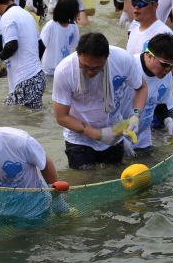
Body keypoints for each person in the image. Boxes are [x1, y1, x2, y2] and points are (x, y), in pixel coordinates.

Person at [52, 32, 147, 170]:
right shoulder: (65, 70)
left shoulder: (123, 60)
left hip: (114, 132)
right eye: (85, 66)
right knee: (84, 180)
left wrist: (135, 116)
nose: (90, 72)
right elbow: (61, 116)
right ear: (78, 55)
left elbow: (141, 87)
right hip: (79, 136)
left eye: (96, 68)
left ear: (106, 58)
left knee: (112, 177)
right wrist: (99, 135)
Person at [0, 0, 45, 109]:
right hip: (37, 77)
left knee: (10, 118)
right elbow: (41, 46)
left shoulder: (7, 17)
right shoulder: (26, 14)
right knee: (22, 116)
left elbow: (12, 46)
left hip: (25, 81)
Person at [120, 33, 173, 154]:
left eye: (172, 65)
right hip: (119, 134)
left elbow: (159, 102)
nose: (168, 69)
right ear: (149, 56)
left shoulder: (166, 74)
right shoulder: (130, 67)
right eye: (164, 64)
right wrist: (118, 139)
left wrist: (168, 120)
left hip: (143, 137)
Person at [126, 0, 173, 73]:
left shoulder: (163, 33)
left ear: (155, 6)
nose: (136, 6)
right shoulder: (134, 31)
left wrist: (150, 75)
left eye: (142, 3)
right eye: (134, 2)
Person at [40, 0, 80, 76]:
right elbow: (41, 46)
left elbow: (76, 46)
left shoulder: (73, 26)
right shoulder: (50, 26)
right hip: (50, 70)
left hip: (66, 69)